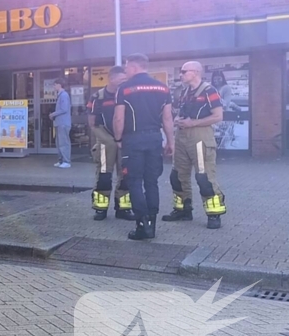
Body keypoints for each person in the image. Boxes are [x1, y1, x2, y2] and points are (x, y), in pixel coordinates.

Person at [113, 54, 175, 241]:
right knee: (151, 182)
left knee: (134, 181)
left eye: (126, 67)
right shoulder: (163, 88)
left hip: (133, 140)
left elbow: (118, 118)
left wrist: (118, 138)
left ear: (133, 67)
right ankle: (152, 225)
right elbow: (167, 118)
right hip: (155, 138)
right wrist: (170, 141)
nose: (125, 71)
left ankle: (142, 225)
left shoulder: (124, 88)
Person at [163, 61, 226, 229]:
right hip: (182, 137)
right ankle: (183, 210)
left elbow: (218, 116)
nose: (180, 75)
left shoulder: (209, 91)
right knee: (177, 176)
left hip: (200, 137)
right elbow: (182, 112)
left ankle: (214, 214)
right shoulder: (184, 92)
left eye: (184, 71)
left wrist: (194, 123)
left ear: (196, 72)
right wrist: (178, 119)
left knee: (204, 177)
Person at [87, 66, 133, 221]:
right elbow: (92, 122)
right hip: (106, 140)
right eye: (121, 79)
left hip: (125, 140)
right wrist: (106, 139)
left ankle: (123, 208)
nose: (124, 82)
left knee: (126, 175)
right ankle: (101, 209)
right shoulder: (97, 97)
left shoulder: (128, 95)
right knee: (104, 176)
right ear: (111, 79)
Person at [50, 78, 72, 168]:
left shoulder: (64, 95)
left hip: (63, 123)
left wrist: (53, 114)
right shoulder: (60, 95)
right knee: (59, 143)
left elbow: (64, 109)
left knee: (64, 142)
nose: (54, 86)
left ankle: (66, 161)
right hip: (59, 123)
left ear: (59, 85)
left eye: (55, 84)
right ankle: (61, 160)